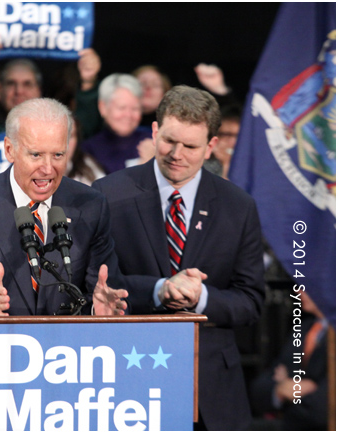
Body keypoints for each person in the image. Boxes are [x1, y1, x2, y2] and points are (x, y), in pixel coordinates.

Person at [92, 85, 265, 430]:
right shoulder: (107, 195)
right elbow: (95, 284)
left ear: (211, 146)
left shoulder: (238, 207)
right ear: (155, 131)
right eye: (170, 141)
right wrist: (160, 290)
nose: (177, 154)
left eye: (190, 146)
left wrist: (202, 298)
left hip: (211, 393)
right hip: (127, 381)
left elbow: (251, 301)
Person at [0, 97, 129, 330]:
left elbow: (105, 295)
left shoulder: (91, 206)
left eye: (58, 155)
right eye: (36, 155)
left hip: (68, 354)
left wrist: (100, 311)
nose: (47, 169)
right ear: (9, 150)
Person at [251, 291, 328, 431]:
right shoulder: (304, 328)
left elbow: (322, 409)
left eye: (308, 286)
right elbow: (260, 390)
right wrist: (280, 390)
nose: (299, 292)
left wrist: (288, 391)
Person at [81, 73, 152, 174]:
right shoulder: (88, 149)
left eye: (135, 108)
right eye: (121, 108)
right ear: (103, 107)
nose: (128, 115)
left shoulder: (153, 142)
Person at [204, 104, 242, 178]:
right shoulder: (204, 165)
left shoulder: (254, 166)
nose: (232, 141)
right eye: (226, 135)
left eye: (238, 136)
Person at [66, 116, 105, 186]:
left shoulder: (88, 165)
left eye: (71, 136)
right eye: (60, 136)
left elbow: (105, 191)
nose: (65, 143)